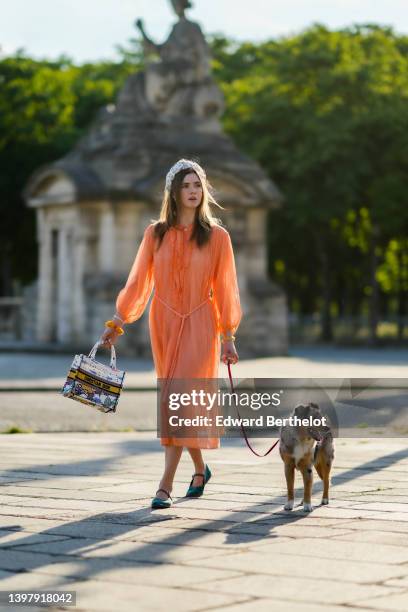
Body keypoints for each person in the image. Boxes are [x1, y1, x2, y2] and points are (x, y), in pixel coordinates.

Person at [100, 159, 242, 509]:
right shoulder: (155, 233)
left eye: (198, 185)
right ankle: (199, 470)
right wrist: (117, 322)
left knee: (180, 399)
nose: (194, 192)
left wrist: (228, 336)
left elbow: (226, 289)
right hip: (162, 320)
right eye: (187, 186)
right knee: (178, 400)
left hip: (200, 321)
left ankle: (164, 485)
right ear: (174, 193)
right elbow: (139, 282)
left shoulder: (218, 237)